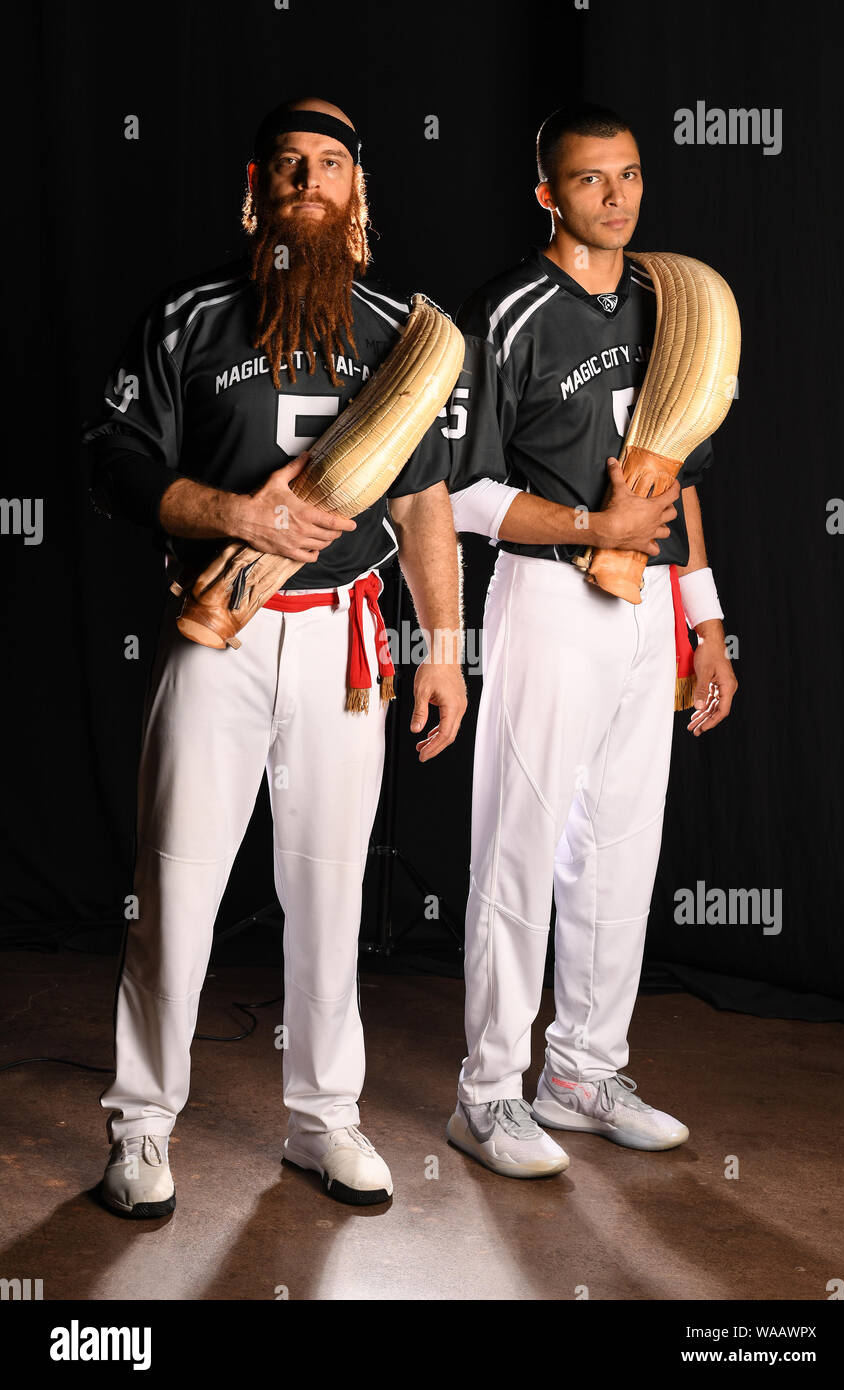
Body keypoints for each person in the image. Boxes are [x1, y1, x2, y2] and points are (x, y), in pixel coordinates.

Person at [81, 96, 467, 1214]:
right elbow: (115, 461)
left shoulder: (404, 331)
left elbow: (427, 505)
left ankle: (321, 1121)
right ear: (257, 190)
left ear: (357, 195)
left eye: (331, 164)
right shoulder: (189, 319)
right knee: (176, 886)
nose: (309, 179)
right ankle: (143, 1124)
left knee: (329, 890)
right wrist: (231, 515)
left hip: (346, 637)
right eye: (289, 165)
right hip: (220, 631)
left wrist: (440, 650)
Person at [443, 103, 738, 1178]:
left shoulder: (666, 305)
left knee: (619, 848)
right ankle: (485, 1091)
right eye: (587, 181)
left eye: (627, 176)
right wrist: (589, 528)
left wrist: (705, 619)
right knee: (519, 841)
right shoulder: (507, 312)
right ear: (545, 195)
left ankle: (581, 1069)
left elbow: (678, 479)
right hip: (547, 591)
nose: (614, 198)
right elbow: (462, 492)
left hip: (649, 606)